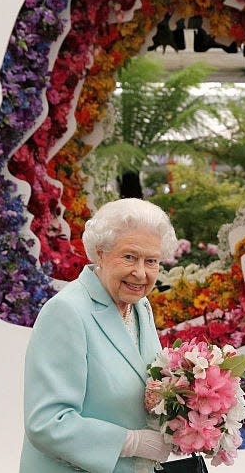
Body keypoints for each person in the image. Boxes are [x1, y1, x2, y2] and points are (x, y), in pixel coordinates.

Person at [19, 198, 179, 473]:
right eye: (129, 257)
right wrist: (131, 442)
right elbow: (47, 422)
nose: (140, 273)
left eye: (151, 261)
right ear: (100, 253)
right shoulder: (66, 311)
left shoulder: (140, 306)